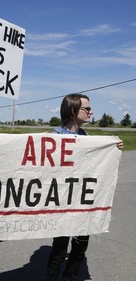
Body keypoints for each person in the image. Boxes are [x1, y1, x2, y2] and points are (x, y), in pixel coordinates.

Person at [45, 93, 123, 281]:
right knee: (60, 248)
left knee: (80, 247)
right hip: (62, 202)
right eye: (86, 109)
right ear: (73, 111)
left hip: (82, 202)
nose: (91, 111)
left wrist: (113, 147)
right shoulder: (54, 137)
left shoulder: (85, 137)